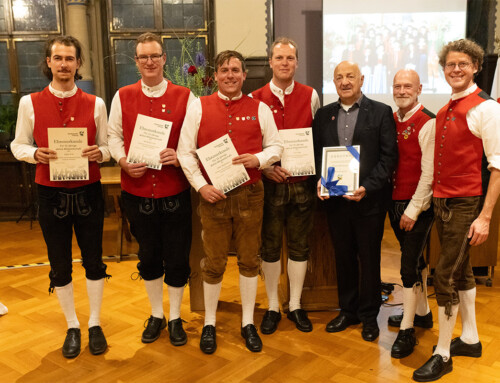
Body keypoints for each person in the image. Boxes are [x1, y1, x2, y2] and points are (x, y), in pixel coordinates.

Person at [177, 50, 283, 354]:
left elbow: (276, 146)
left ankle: (247, 322)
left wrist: (259, 158)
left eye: (235, 69)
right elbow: (185, 152)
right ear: (216, 75)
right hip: (214, 197)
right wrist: (200, 187)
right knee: (214, 262)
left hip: (251, 194)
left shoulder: (260, 109)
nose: (230, 75)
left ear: (244, 75)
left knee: (250, 260)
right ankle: (209, 322)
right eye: (224, 70)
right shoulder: (198, 107)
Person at [11, 35, 110, 358]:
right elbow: (18, 145)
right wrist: (35, 153)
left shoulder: (96, 104)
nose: (64, 64)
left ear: (79, 63)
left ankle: (94, 322)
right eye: (59, 58)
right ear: (49, 62)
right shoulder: (29, 102)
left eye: (70, 58)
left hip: (88, 191)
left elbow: (109, 147)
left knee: (94, 260)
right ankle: (72, 325)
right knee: (60, 264)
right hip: (50, 193)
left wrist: (100, 152)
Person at [413, 39, 500, 382]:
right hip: (442, 202)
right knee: (461, 273)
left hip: (466, 203)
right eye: (451, 64)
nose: (456, 69)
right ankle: (471, 339)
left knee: (444, 276)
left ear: (476, 66)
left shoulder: (486, 108)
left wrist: (485, 215)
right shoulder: (447, 107)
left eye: (463, 64)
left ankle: (443, 353)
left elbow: (498, 166)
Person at [108, 32, 195, 347]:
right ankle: (156, 314)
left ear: (164, 58)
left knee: (177, 258)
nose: (149, 61)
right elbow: (113, 136)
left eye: (154, 56)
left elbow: (195, 142)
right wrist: (121, 159)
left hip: (174, 190)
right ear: (136, 61)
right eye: (143, 57)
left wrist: (180, 156)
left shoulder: (186, 96)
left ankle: (174, 317)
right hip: (137, 189)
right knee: (148, 257)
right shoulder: (123, 96)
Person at [312, 60, 397, 342]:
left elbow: (388, 160)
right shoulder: (324, 115)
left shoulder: (381, 113)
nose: (345, 81)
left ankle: (369, 315)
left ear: (362, 79)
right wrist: (320, 182)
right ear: (333, 82)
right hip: (336, 202)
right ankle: (347, 311)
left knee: (369, 259)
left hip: (369, 202)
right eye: (339, 77)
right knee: (343, 257)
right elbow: (317, 156)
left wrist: (366, 188)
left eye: (350, 76)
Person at [251, 37, 320, 334]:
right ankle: (271, 307)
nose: (284, 63)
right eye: (279, 58)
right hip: (269, 185)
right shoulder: (254, 98)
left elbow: (317, 137)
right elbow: (251, 143)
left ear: (296, 62)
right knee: (268, 247)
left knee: (299, 246)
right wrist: (265, 170)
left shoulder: (310, 95)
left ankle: (295, 305)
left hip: (303, 185)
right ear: (270, 62)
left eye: (290, 58)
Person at [388, 69, 435, 359]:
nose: (402, 90)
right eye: (397, 86)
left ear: (419, 88)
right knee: (415, 260)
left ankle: (407, 330)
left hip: (416, 206)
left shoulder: (427, 122)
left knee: (407, 266)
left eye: (408, 86)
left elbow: (429, 173)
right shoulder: (392, 120)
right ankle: (423, 314)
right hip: (393, 202)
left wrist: (414, 210)